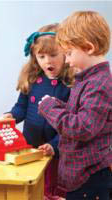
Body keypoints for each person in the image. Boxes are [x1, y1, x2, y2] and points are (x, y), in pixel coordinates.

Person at [38, 11, 112, 200]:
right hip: (81, 177)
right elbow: (78, 113)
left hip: (90, 178)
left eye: (69, 54)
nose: (68, 61)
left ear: (88, 47)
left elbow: (82, 127)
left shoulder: (99, 84)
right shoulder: (88, 79)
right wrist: (56, 104)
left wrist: (50, 108)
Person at [0, 23, 75, 200]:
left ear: (66, 52)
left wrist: (54, 145)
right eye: (41, 56)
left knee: (55, 187)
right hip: (30, 147)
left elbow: (71, 123)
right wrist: (10, 116)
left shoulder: (70, 84)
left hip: (57, 150)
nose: (47, 61)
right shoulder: (33, 79)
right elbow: (21, 107)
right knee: (33, 187)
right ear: (34, 58)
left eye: (53, 55)